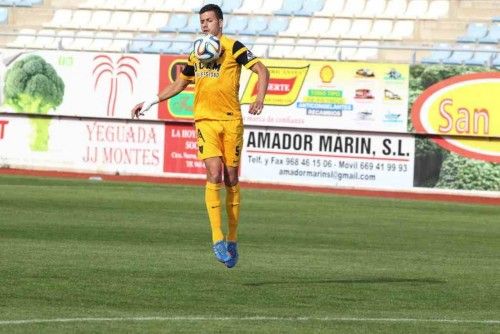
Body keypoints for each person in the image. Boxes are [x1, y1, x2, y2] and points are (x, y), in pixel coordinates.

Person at [131, 4, 269, 268]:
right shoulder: (197, 52)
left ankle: (232, 239)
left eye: (209, 20)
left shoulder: (234, 47)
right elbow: (180, 84)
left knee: (231, 178)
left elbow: (262, 70)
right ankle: (217, 238)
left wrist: (259, 97)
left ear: (221, 22)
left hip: (231, 122)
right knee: (214, 173)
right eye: (202, 21)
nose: (205, 25)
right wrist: (150, 101)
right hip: (205, 120)